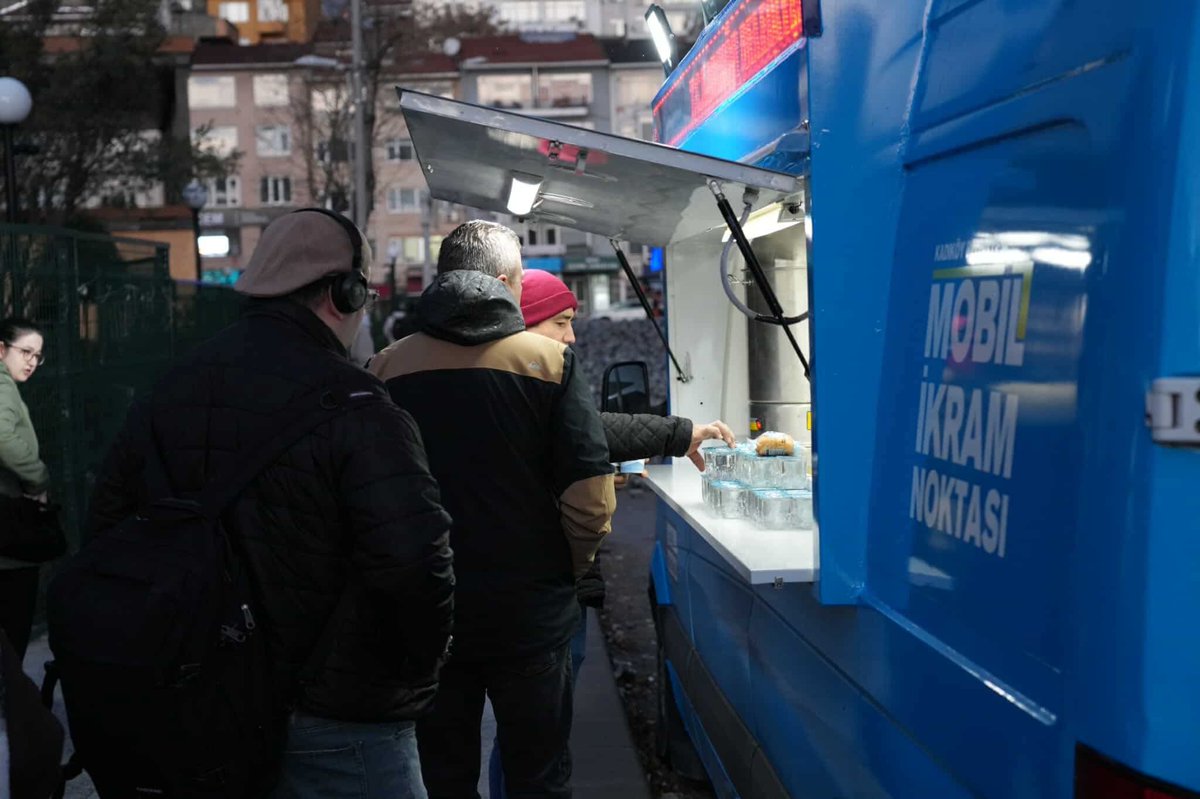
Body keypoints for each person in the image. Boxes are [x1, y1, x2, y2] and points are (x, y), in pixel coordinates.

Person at [87, 209, 455, 799]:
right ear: (346, 291)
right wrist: (398, 682)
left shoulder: (167, 391)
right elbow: (414, 564)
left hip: (198, 714)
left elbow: (106, 532)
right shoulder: (362, 407)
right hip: (335, 723)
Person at [370, 220, 615, 798]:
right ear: (507, 282)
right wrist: (568, 570)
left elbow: (371, 498)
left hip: (430, 618)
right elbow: (590, 498)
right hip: (530, 617)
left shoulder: (385, 369)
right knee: (539, 777)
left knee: (444, 778)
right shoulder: (550, 363)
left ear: (440, 278)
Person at [487, 270, 735, 798]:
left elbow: (592, 427)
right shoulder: (527, 385)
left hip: (524, 594)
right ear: (526, 326)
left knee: (523, 743)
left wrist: (680, 432)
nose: (572, 336)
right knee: (534, 747)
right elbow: (591, 439)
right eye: (561, 322)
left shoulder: (513, 385)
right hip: (539, 596)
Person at [0, 317, 51, 661]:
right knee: (13, 628)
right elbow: (2, 436)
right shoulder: (2, 386)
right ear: (1, 350)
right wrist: (39, 479)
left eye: (38, 355)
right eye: (26, 352)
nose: (32, 361)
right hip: (9, 525)